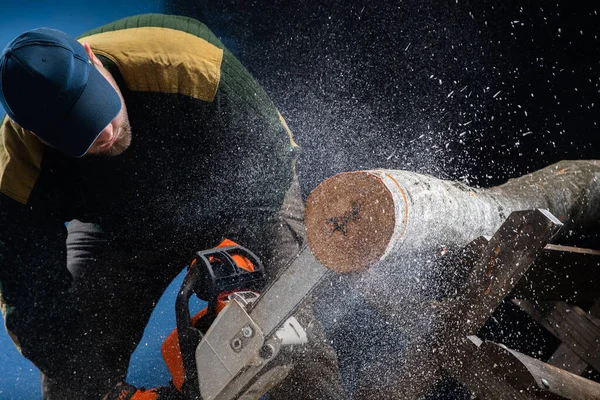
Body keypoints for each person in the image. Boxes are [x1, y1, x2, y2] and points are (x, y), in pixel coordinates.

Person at [0, 13, 343, 399]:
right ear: (35, 133)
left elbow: (272, 159)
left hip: (241, 198)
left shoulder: (188, 63)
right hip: (118, 228)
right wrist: (107, 394)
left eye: (97, 106)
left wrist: (242, 257)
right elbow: (34, 304)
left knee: (289, 333)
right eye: (82, 132)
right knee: (75, 376)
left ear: (90, 57)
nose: (107, 131)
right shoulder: (16, 174)